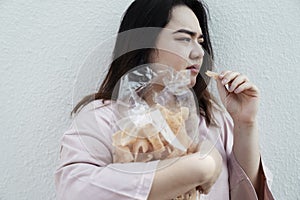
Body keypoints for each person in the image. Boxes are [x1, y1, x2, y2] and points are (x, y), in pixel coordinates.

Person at [55, 0, 274, 199]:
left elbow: (248, 195)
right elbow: (75, 189)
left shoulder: (212, 120)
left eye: (200, 41)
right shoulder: (102, 117)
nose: (199, 53)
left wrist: (246, 123)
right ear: (144, 43)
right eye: (184, 39)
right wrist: (198, 169)